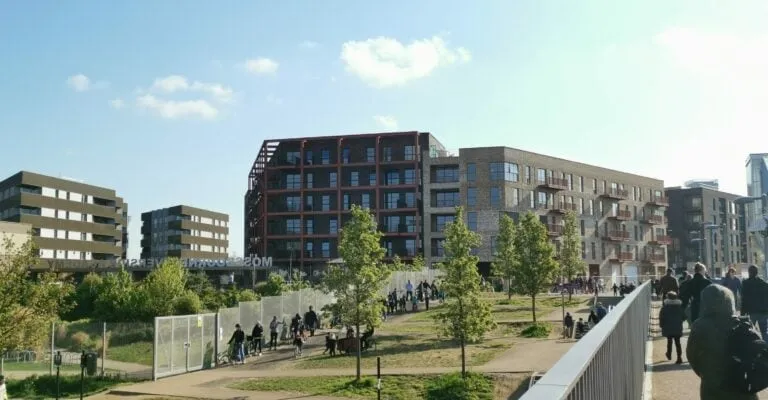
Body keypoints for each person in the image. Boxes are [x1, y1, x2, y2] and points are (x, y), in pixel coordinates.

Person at [687, 284, 759, 399]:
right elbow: (758, 351)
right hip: (743, 383)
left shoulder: (700, 326)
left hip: (713, 384)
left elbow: (692, 356)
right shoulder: (743, 323)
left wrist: (705, 374)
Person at [741, 264, 768, 341]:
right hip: (763, 312)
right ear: (757, 272)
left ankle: (752, 348)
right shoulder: (764, 284)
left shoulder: (746, 283)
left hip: (751, 311)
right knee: (764, 332)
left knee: (749, 331)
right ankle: (766, 348)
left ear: (749, 272)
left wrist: (743, 313)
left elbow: (744, 299)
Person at [659, 291, 685, 364]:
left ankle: (669, 354)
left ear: (667, 297)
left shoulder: (665, 308)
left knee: (669, 341)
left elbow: (661, 317)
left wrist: (661, 325)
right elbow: (684, 317)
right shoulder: (679, 307)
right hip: (677, 327)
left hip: (668, 327)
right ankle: (679, 358)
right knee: (678, 343)